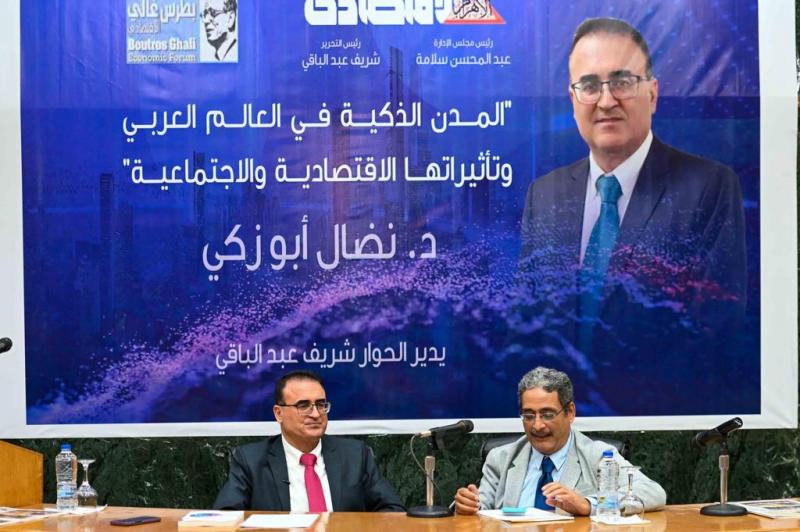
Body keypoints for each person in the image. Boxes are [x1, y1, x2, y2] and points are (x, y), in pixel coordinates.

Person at [516, 17, 747, 414]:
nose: (606, 101)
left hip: (660, 419)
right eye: (590, 85)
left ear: (652, 94)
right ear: (573, 99)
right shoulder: (544, 195)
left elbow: (716, 327)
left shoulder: (708, 186)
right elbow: (526, 321)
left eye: (622, 81)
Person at [454, 367, 666, 516]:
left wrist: (588, 504)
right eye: (529, 415)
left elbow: (653, 492)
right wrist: (467, 505)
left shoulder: (598, 455)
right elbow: (481, 507)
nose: (537, 425)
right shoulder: (501, 458)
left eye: (547, 414)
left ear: (570, 412)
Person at [213, 370, 405, 512]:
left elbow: (392, 510)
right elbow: (225, 515)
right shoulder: (250, 460)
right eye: (303, 405)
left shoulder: (355, 455)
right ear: (279, 413)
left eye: (321, 405)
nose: (315, 414)